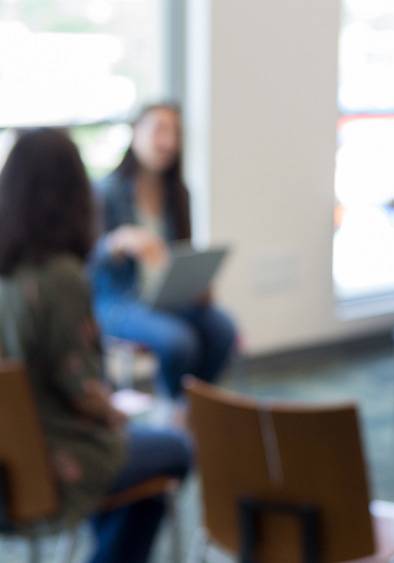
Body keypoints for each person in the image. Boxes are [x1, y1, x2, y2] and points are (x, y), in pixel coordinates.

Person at [0, 128, 191, 563]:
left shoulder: (7, 272)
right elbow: (83, 391)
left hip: (8, 461)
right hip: (54, 459)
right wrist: (114, 413)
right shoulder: (60, 277)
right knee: (175, 450)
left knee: (141, 487)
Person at [91, 103, 236, 400]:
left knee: (222, 330)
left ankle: (195, 407)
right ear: (135, 132)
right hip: (118, 302)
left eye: (175, 133)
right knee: (179, 341)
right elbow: (87, 263)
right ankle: (173, 409)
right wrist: (116, 242)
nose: (168, 142)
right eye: (159, 130)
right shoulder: (107, 192)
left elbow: (180, 255)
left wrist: (197, 285)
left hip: (165, 297)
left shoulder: (178, 193)